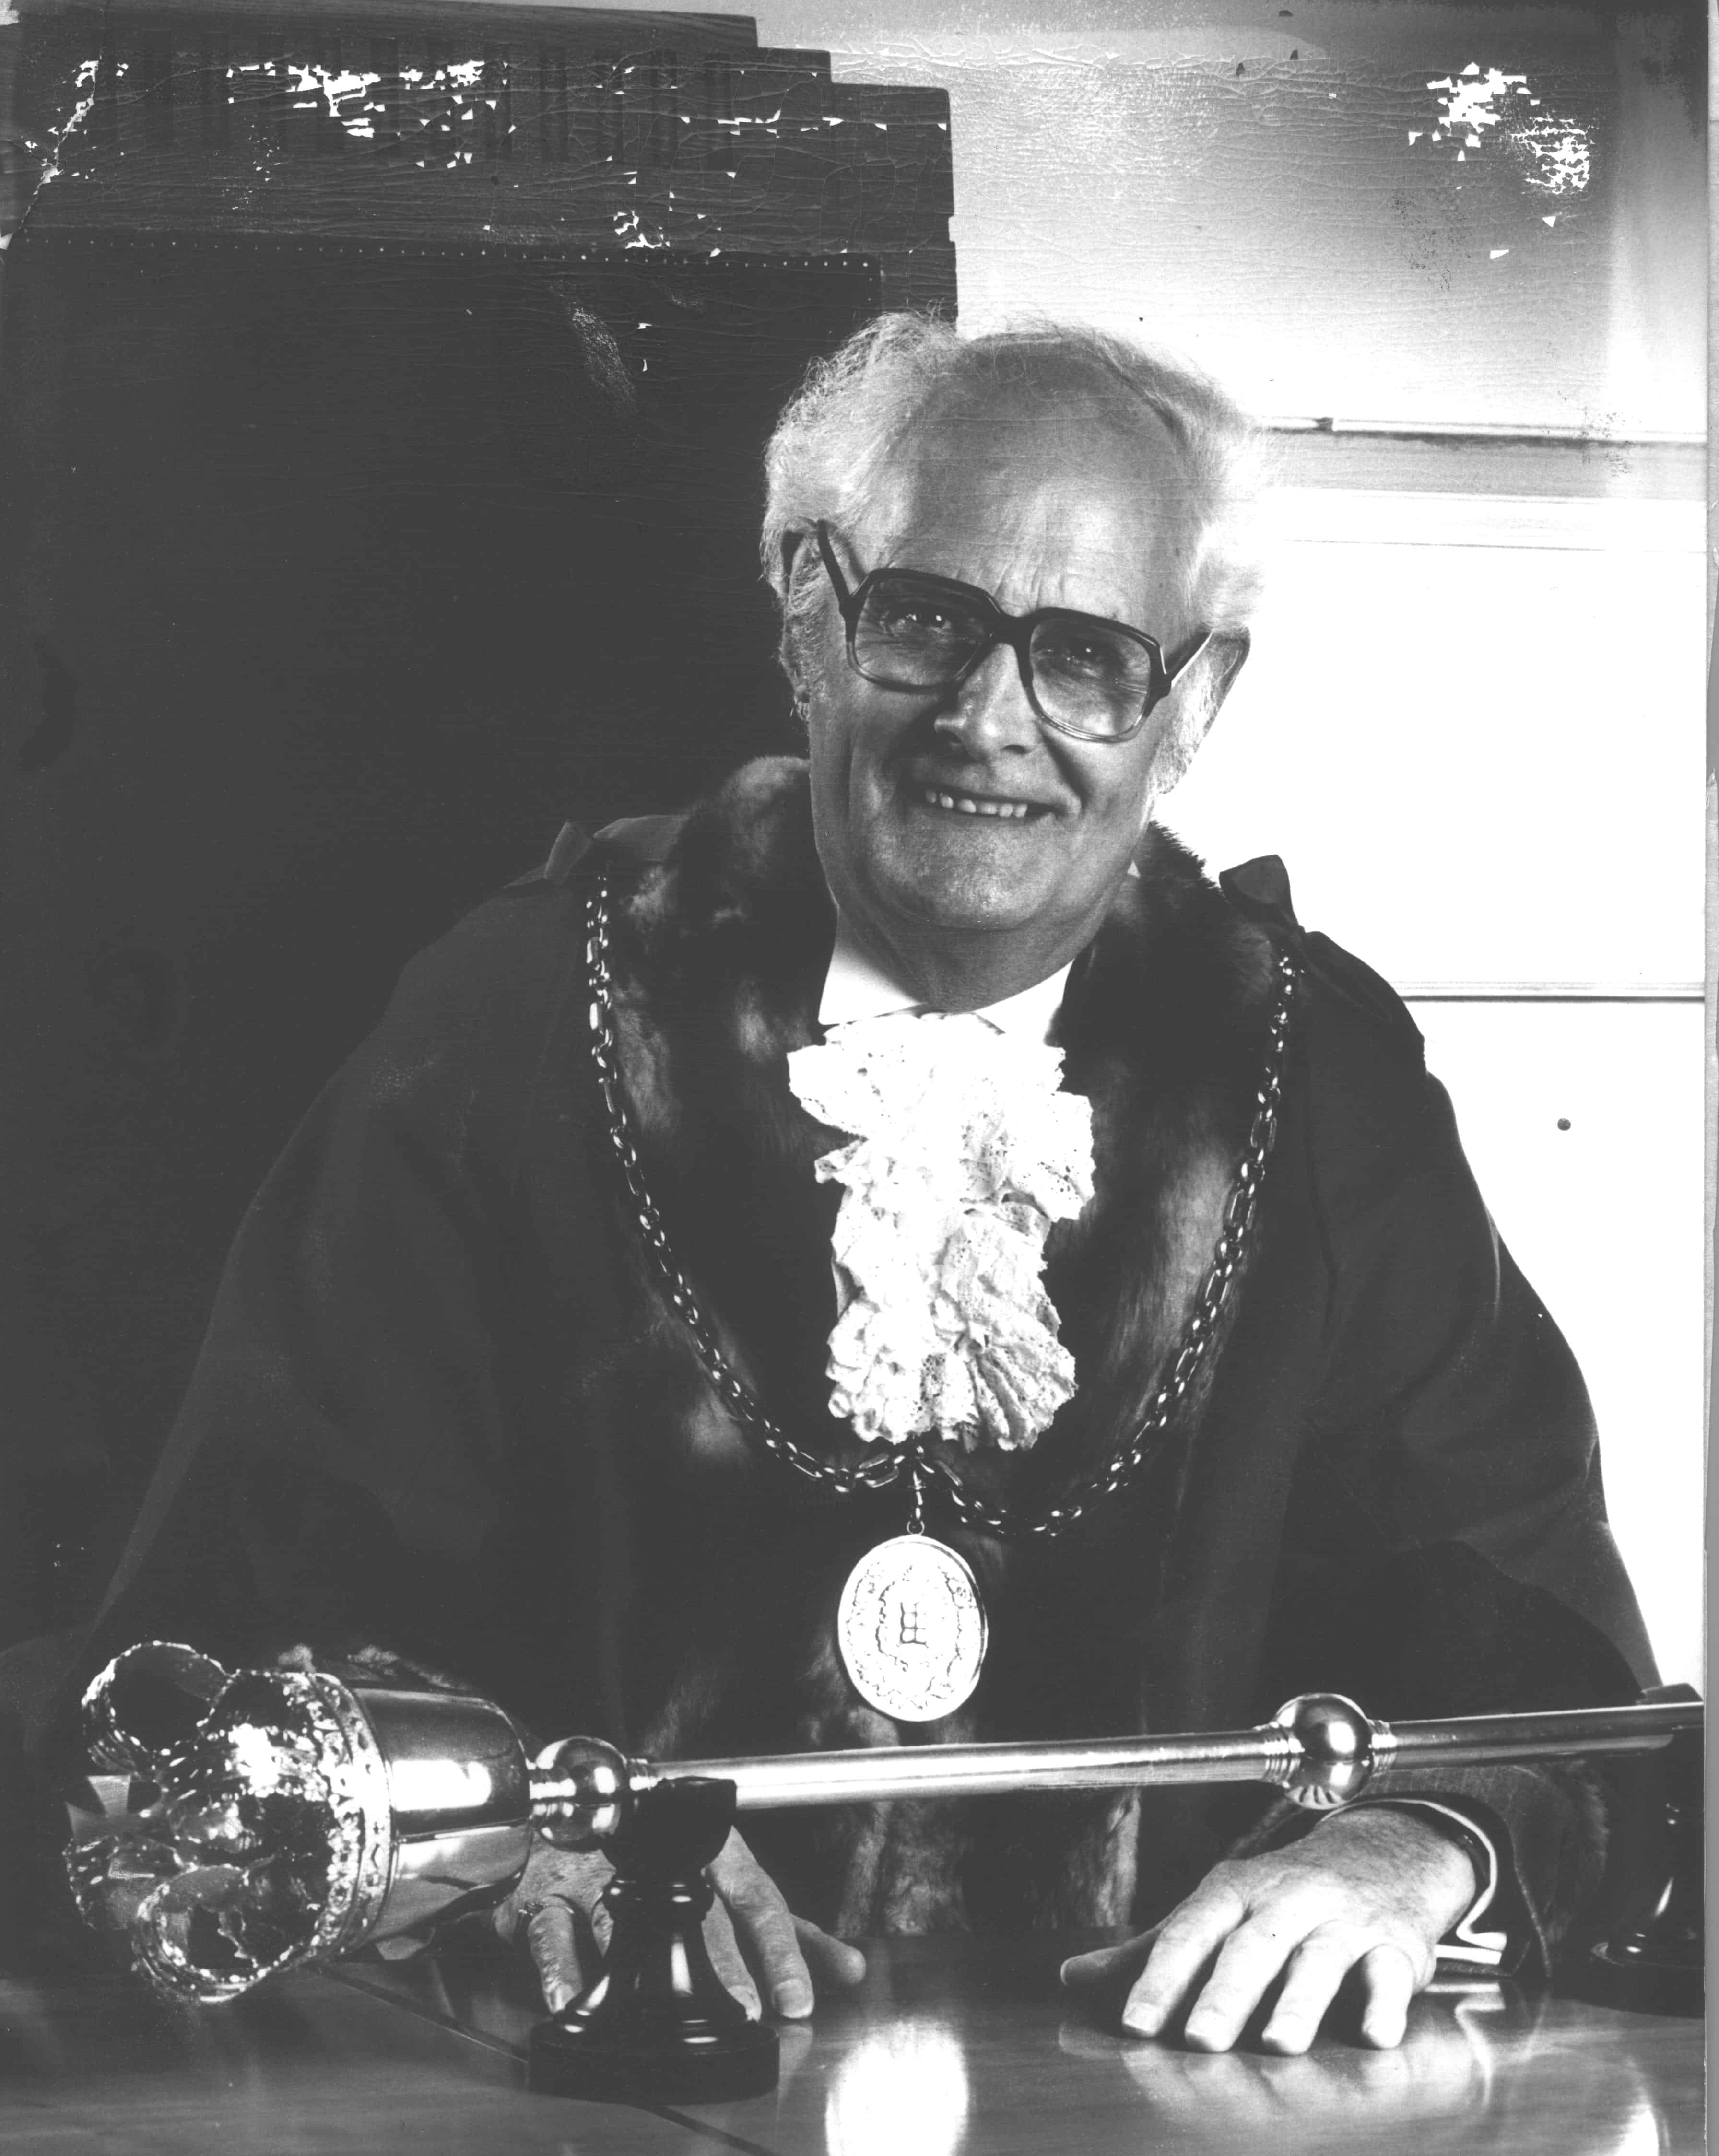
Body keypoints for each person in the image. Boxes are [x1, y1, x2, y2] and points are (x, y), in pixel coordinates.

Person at [17, 316, 1652, 2055]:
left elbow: (1538, 1660)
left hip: (1158, 2096)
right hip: (615, 2090)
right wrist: (502, 1844)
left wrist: (1419, 1844)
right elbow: (246, 1632)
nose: (991, 723)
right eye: (927, 622)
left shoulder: (1315, 1076)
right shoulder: (511, 1023)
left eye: (1089, 658)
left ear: (1193, 701)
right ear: (809, 615)